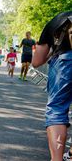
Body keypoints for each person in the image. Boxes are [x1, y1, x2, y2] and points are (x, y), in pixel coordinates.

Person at [32, 11, 72, 161]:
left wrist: (51, 52)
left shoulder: (59, 20)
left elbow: (36, 62)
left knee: (57, 109)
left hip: (64, 63)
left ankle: (57, 158)